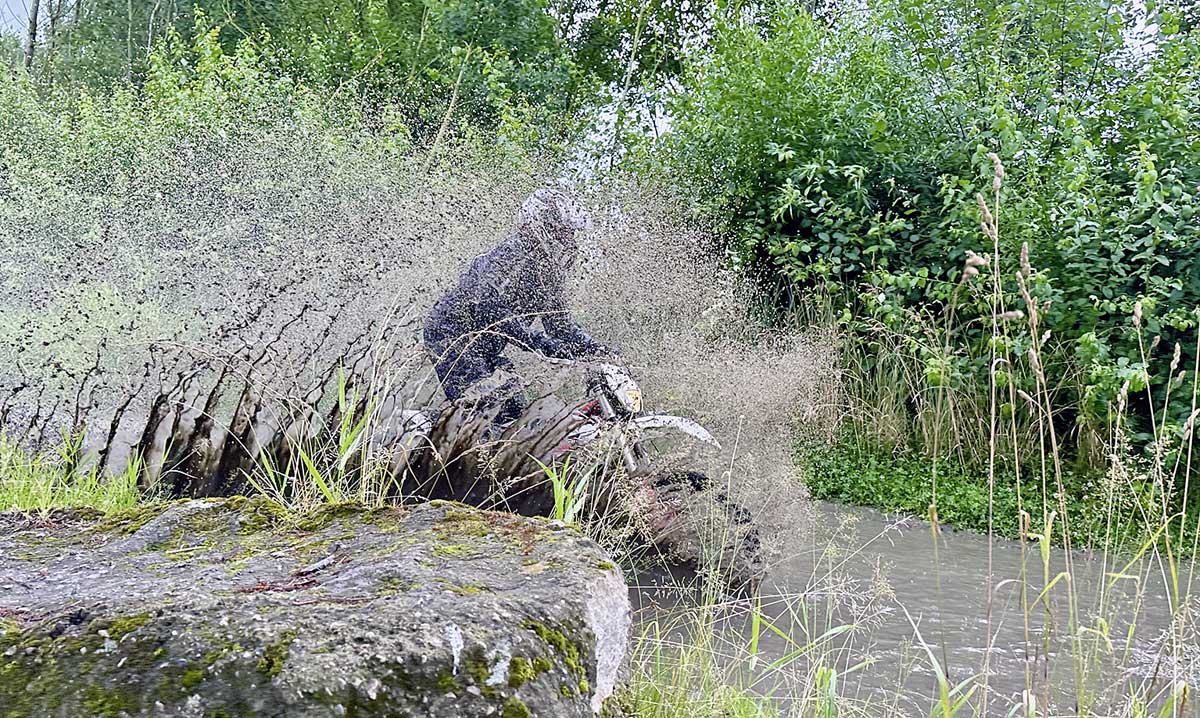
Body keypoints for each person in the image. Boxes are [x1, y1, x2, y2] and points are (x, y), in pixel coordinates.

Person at [423, 188, 615, 425]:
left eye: (571, 233)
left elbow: (559, 325)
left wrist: (597, 350)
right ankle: (428, 439)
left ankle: (444, 429)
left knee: (515, 413)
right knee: (487, 410)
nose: (568, 240)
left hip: (485, 349)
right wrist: (540, 343)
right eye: (562, 231)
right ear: (539, 225)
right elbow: (486, 306)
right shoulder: (511, 254)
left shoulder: (548, 271)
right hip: (451, 338)